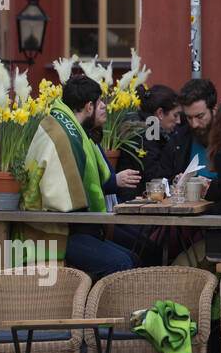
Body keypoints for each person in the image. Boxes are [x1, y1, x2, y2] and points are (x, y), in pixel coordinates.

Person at [24, 74, 142, 279]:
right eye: (100, 102)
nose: (104, 106)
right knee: (122, 263)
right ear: (89, 106)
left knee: (133, 258)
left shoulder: (66, 126)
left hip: (69, 228)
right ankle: (101, 312)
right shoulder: (67, 136)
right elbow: (64, 201)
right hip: (55, 234)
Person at [148, 78, 218, 183]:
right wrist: (175, 180)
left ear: (214, 110)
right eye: (189, 118)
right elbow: (161, 177)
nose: (194, 124)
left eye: (200, 116)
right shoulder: (179, 139)